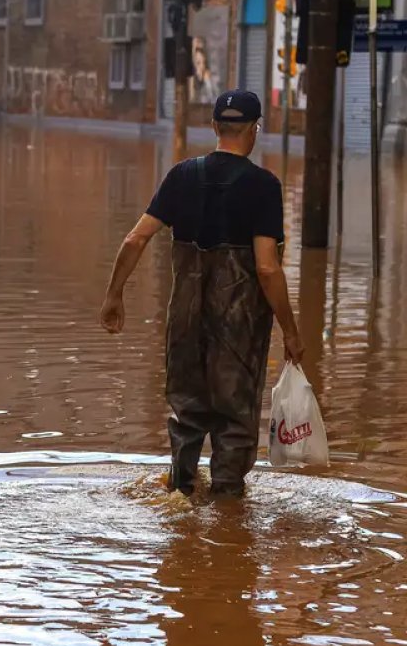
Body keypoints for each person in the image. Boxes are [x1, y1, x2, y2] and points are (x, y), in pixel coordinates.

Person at [99, 89, 304, 497]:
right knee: (234, 421)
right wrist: (291, 331)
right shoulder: (263, 186)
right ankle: (227, 523)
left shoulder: (181, 176)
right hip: (238, 329)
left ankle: (181, 495)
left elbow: (135, 239)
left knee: (188, 414)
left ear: (213, 127)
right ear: (255, 130)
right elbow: (266, 267)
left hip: (185, 322)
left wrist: (113, 296)